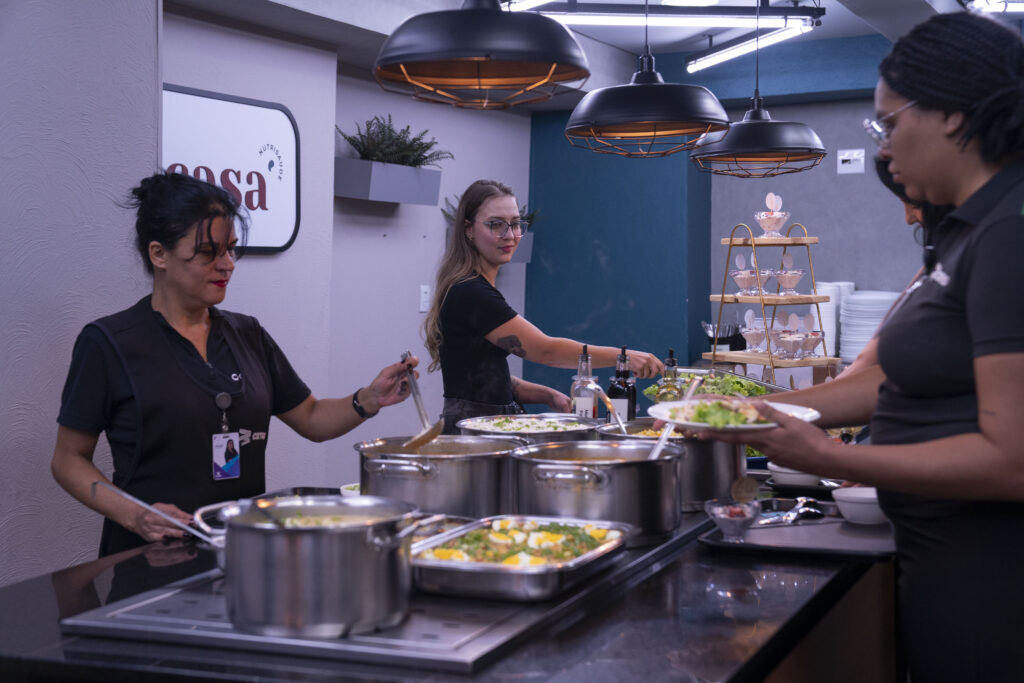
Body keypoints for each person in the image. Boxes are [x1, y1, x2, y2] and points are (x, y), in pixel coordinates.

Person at [704, 13, 1024, 682]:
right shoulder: (967, 231)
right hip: (939, 560)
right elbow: (903, 381)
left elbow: (1013, 458)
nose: (883, 147)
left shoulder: (1008, 232)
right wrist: (758, 409)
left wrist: (826, 453)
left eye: (888, 122)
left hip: (989, 579)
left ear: (954, 116)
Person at [51, 172, 416, 557]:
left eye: (230, 249)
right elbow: (68, 460)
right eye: (209, 252)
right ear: (159, 254)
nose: (227, 265)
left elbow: (311, 417)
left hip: (239, 551)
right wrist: (134, 514)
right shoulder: (109, 343)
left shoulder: (248, 333)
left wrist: (369, 398)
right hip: (147, 557)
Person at [424, 179, 663, 431]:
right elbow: (545, 350)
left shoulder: (475, 288)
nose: (511, 235)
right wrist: (622, 357)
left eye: (515, 224)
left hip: (485, 427)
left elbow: (482, 372)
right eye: (496, 225)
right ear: (468, 229)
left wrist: (546, 395)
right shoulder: (471, 292)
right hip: (473, 434)